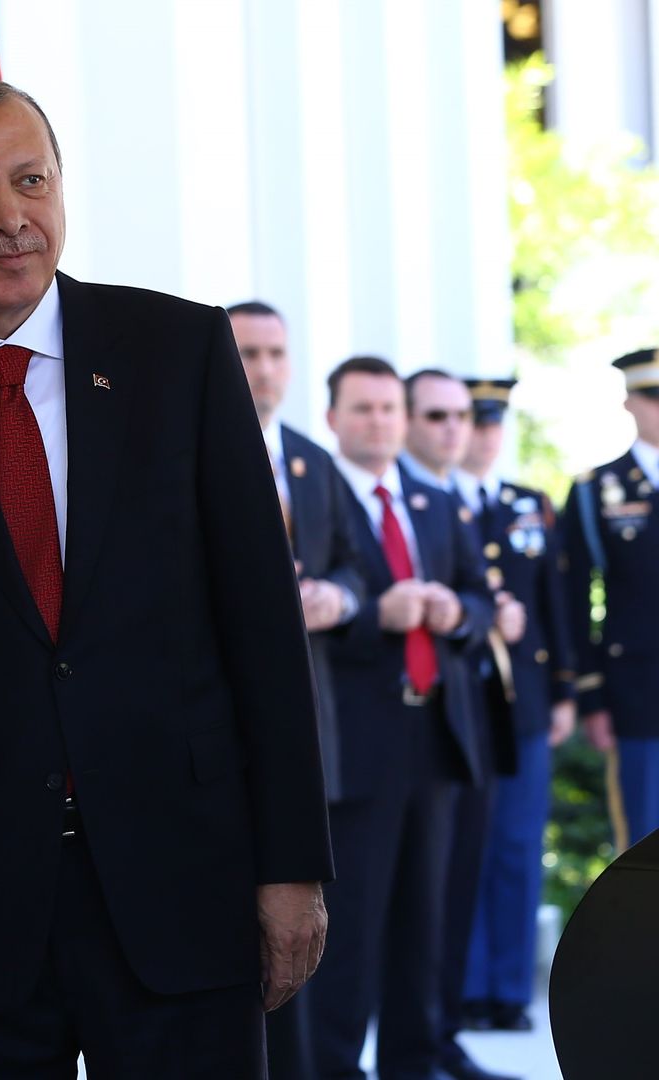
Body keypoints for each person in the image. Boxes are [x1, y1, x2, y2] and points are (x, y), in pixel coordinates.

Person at [0, 80, 333, 1080]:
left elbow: (261, 626)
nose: (11, 219)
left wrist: (294, 865)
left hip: (181, 887)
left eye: (31, 181)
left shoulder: (181, 353)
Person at [306, 357, 495, 1080]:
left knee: (426, 917)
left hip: (436, 735)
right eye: (363, 409)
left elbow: (479, 595)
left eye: (390, 408)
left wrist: (459, 614)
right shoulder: (313, 498)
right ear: (333, 418)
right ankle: (334, 1067)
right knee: (350, 923)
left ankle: (416, 1061)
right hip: (356, 740)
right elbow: (306, 612)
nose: (379, 421)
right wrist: (372, 618)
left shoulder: (435, 502)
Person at [229, 300, 368, 1080]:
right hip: (219, 738)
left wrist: (335, 600)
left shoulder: (314, 463)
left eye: (276, 353)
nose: (263, 369)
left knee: (307, 929)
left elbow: (355, 568)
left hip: (310, 730)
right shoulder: (179, 446)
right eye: (247, 353)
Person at [399, 370, 525, 1080]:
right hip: (394, 728)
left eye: (462, 417)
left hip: (464, 731)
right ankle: (414, 1044)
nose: (456, 429)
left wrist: (466, 614)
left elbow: (480, 598)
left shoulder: (452, 502)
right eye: (439, 415)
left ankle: (438, 1040)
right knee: (407, 906)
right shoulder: (375, 490)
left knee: (449, 896)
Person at [455, 377, 575, 1042]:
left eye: (493, 422)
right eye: (474, 421)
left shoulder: (530, 505)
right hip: (463, 705)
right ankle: (467, 986)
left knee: (518, 847)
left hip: (525, 705)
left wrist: (563, 689)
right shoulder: (440, 500)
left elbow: (556, 605)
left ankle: (508, 989)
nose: (482, 434)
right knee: (466, 847)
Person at [561, 348, 659, 847]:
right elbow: (576, 601)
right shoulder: (595, 490)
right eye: (653, 396)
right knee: (643, 844)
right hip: (637, 692)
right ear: (629, 402)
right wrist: (592, 694)